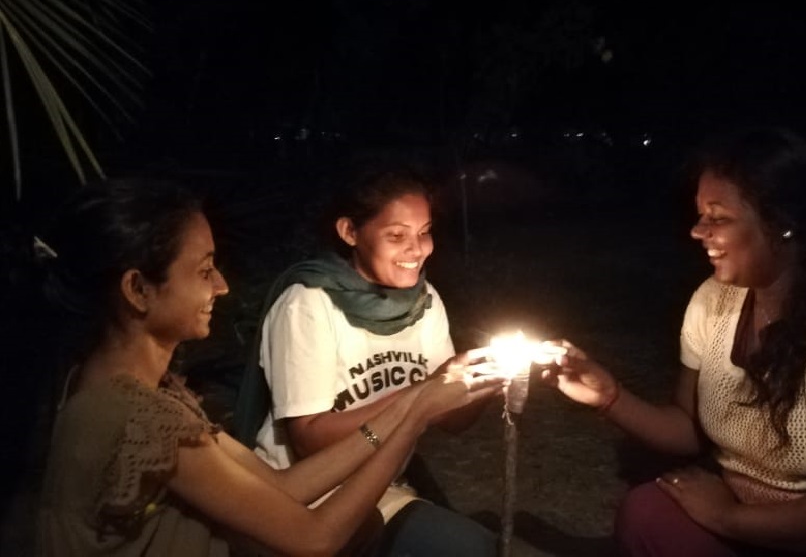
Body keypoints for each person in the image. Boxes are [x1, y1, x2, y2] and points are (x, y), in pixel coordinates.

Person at [35, 178, 503, 556]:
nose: (222, 287)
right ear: (137, 290)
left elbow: (285, 487)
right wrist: (416, 412)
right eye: (204, 270)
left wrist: (420, 399)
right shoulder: (137, 419)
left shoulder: (150, 393)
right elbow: (314, 539)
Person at [544, 127, 806, 556]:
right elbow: (690, 428)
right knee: (647, 512)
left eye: (718, 218)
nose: (697, 231)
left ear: (783, 223)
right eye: (699, 215)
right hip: (750, 526)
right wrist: (608, 396)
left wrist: (727, 518)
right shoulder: (714, 301)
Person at [233, 167, 498, 556]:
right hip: (306, 493)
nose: (418, 249)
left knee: (477, 546)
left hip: (381, 485)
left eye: (424, 232)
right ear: (349, 232)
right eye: (397, 236)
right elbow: (309, 439)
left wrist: (490, 381)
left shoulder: (424, 302)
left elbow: (450, 419)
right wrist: (423, 393)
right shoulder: (310, 304)